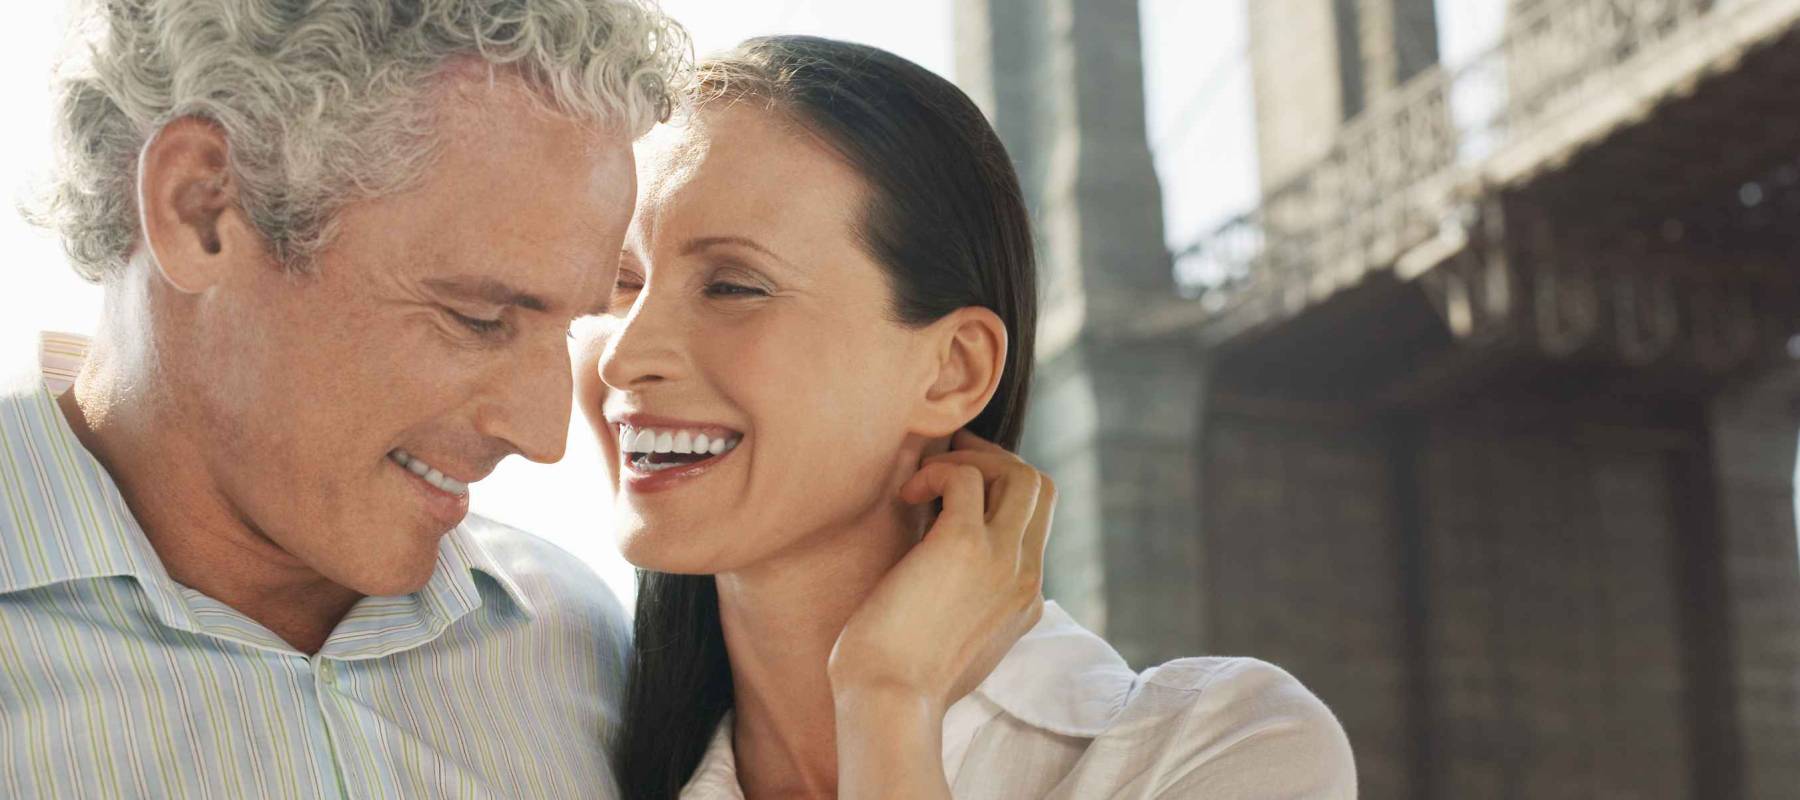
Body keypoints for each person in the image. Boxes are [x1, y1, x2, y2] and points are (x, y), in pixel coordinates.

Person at [0, 3, 1050, 797]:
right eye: (479, 317)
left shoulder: (573, 646)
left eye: (575, 320)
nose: (548, 435)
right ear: (202, 208)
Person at [576, 36, 1360, 799]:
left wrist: (888, 700)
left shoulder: (1223, 751)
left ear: (955, 369)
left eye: (733, 286)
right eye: (619, 283)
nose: (623, 356)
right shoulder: (557, 749)